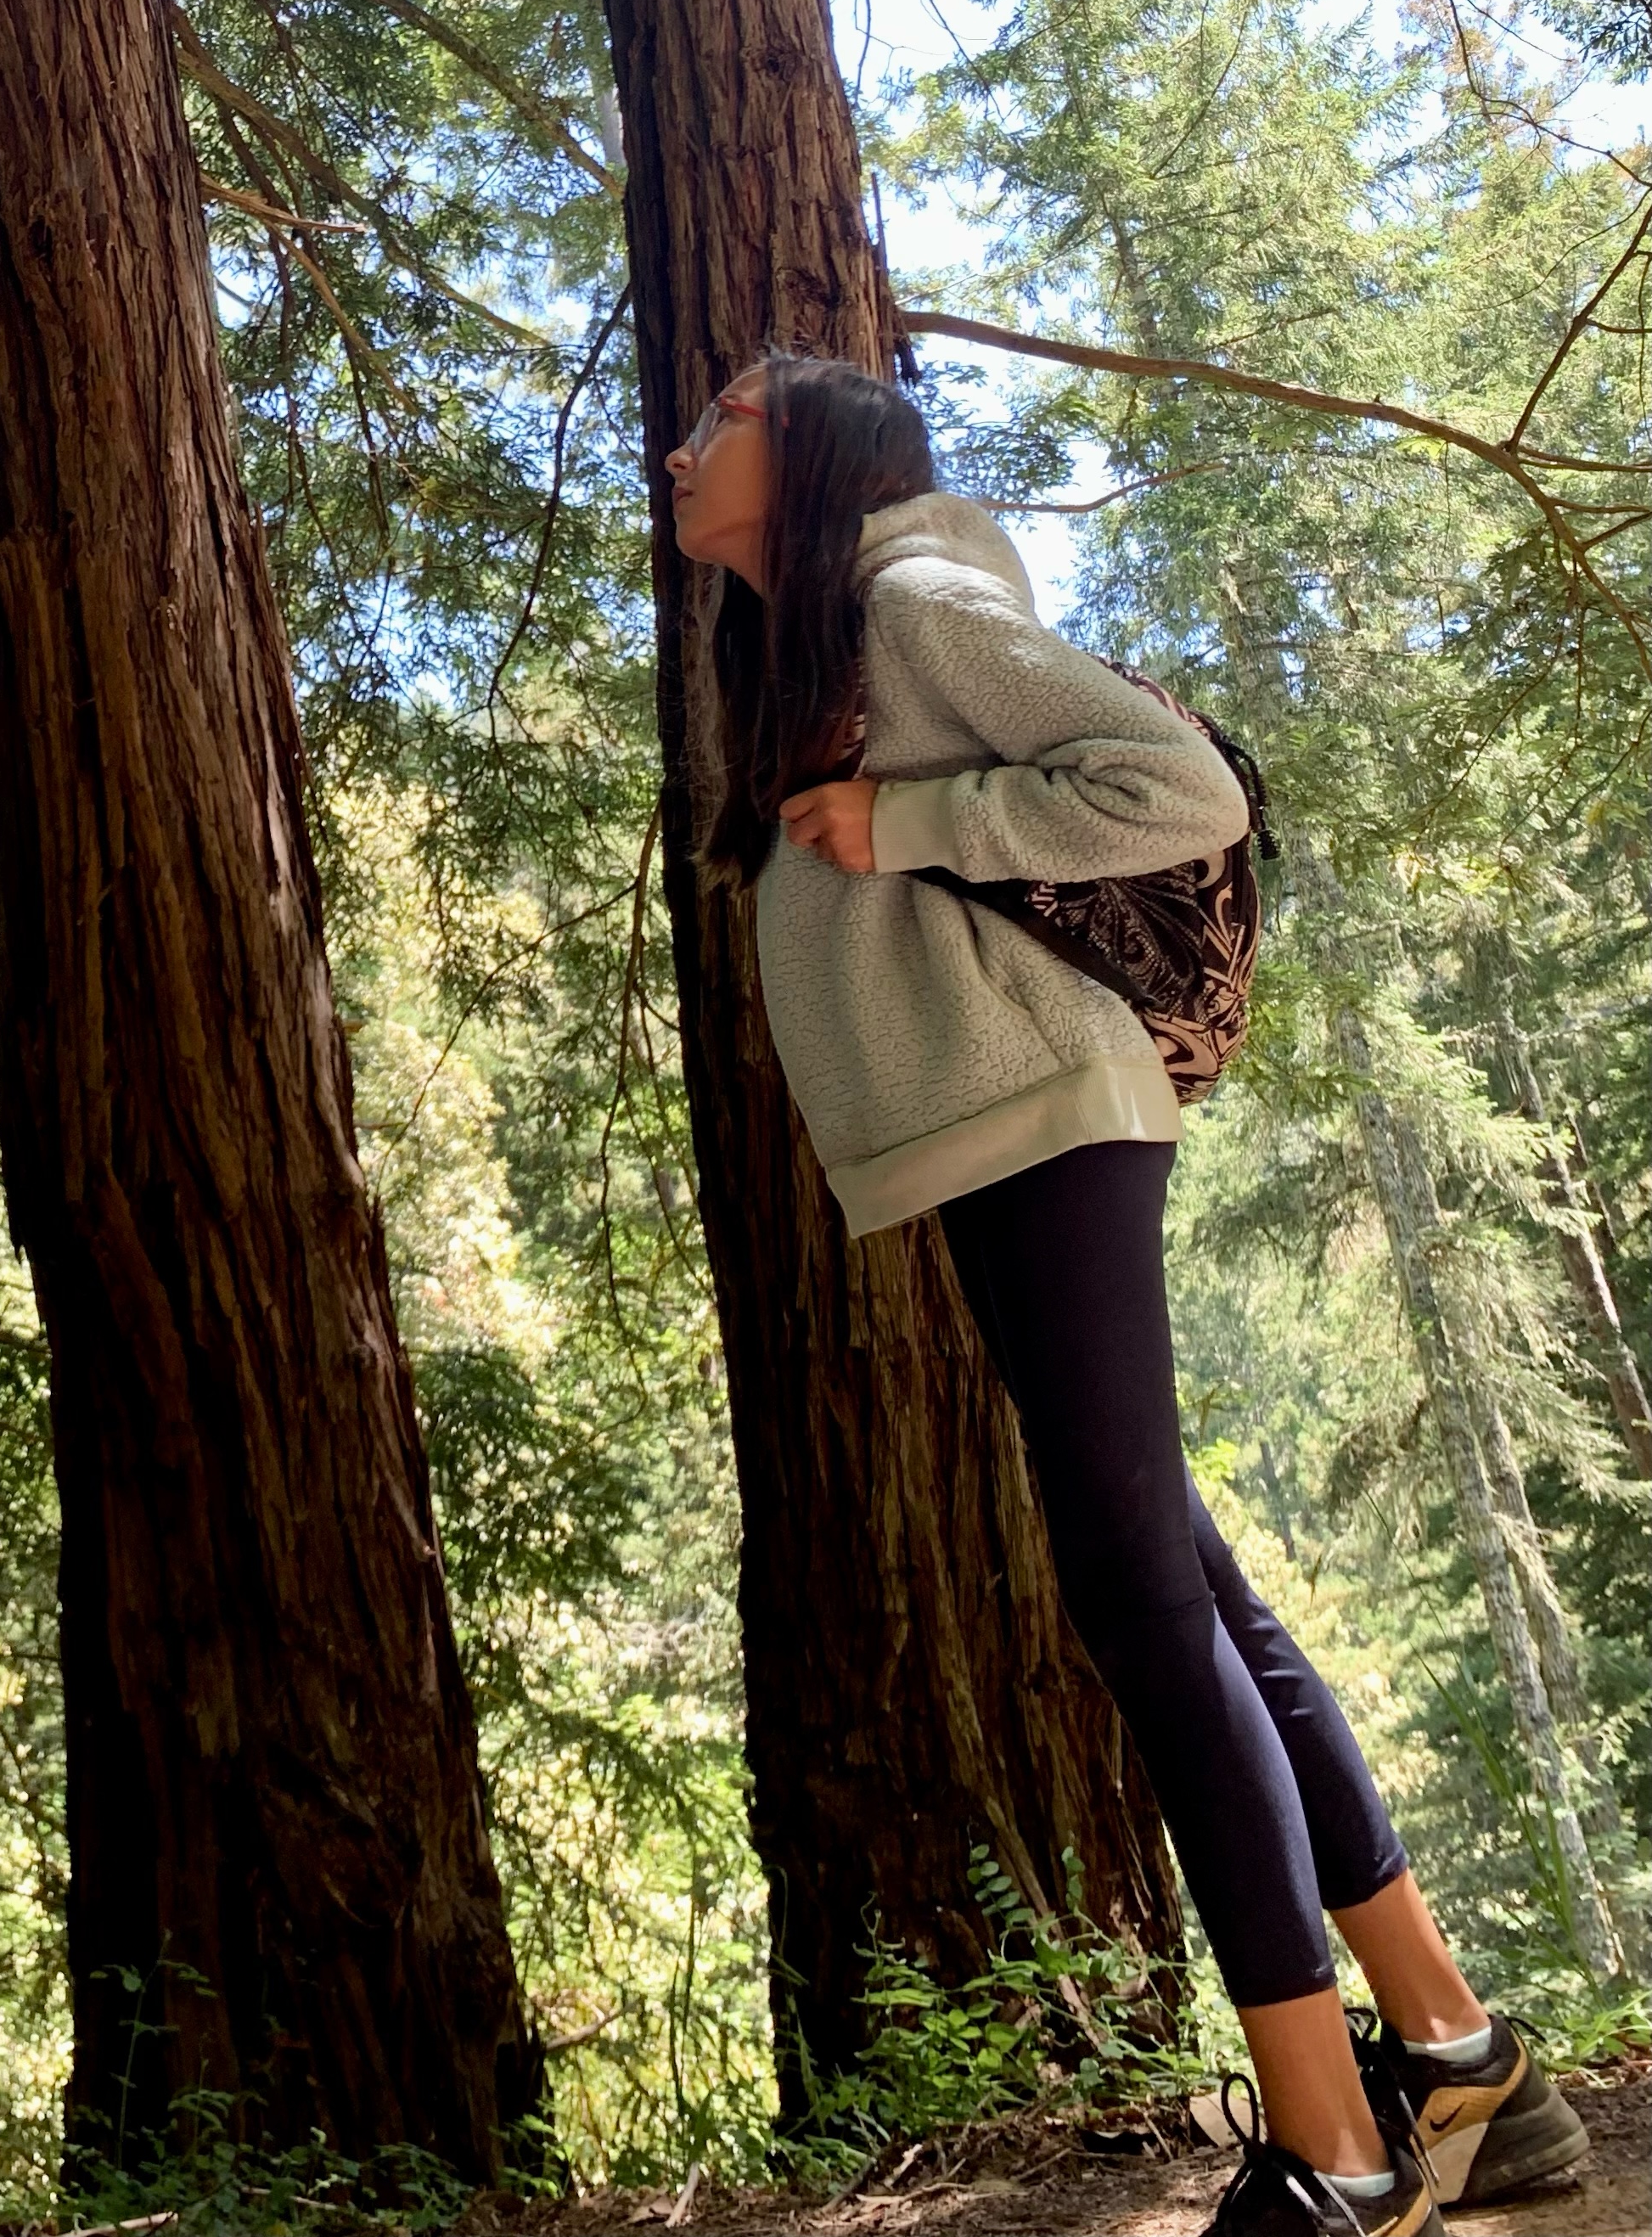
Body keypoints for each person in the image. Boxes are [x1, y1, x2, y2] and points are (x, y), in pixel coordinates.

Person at [666, 351, 1591, 2237]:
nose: (689, 439)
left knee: (1141, 1602)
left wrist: (915, 828)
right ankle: (1455, 2051)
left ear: (822, 454)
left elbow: (1175, 787)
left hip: (1045, 1117)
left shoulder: (910, 602)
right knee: (1186, 1580)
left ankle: (1334, 2148)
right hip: (1000, 1128)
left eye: (730, 415)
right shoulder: (832, 638)